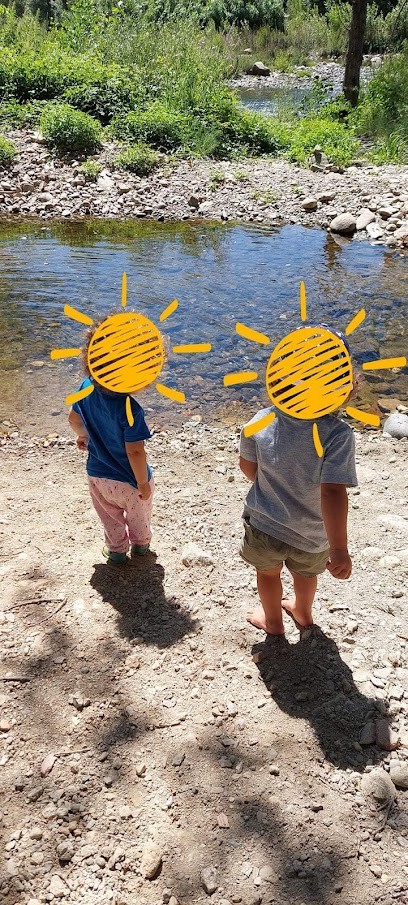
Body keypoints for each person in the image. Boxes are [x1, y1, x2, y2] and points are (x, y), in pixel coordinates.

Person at [239, 330, 358, 637]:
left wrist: (275, 483)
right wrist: (339, 548)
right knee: (305, 574)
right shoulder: (337, 434)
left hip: (265, 524)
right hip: (312, 532)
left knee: (267, 574)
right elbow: (333, 491)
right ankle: (303, 613)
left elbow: (248, 468)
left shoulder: (259, 421)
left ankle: (273, 622)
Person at [67, 322, 154, 565]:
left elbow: (73, 419)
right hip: (129, 480)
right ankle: (140, 547)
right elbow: (135, 451)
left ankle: (116, 551)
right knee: (139, 516)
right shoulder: (131, 409)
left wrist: (84, 436)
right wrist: (143, 483)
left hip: (98, 476)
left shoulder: (84, 389)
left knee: (109, 517)